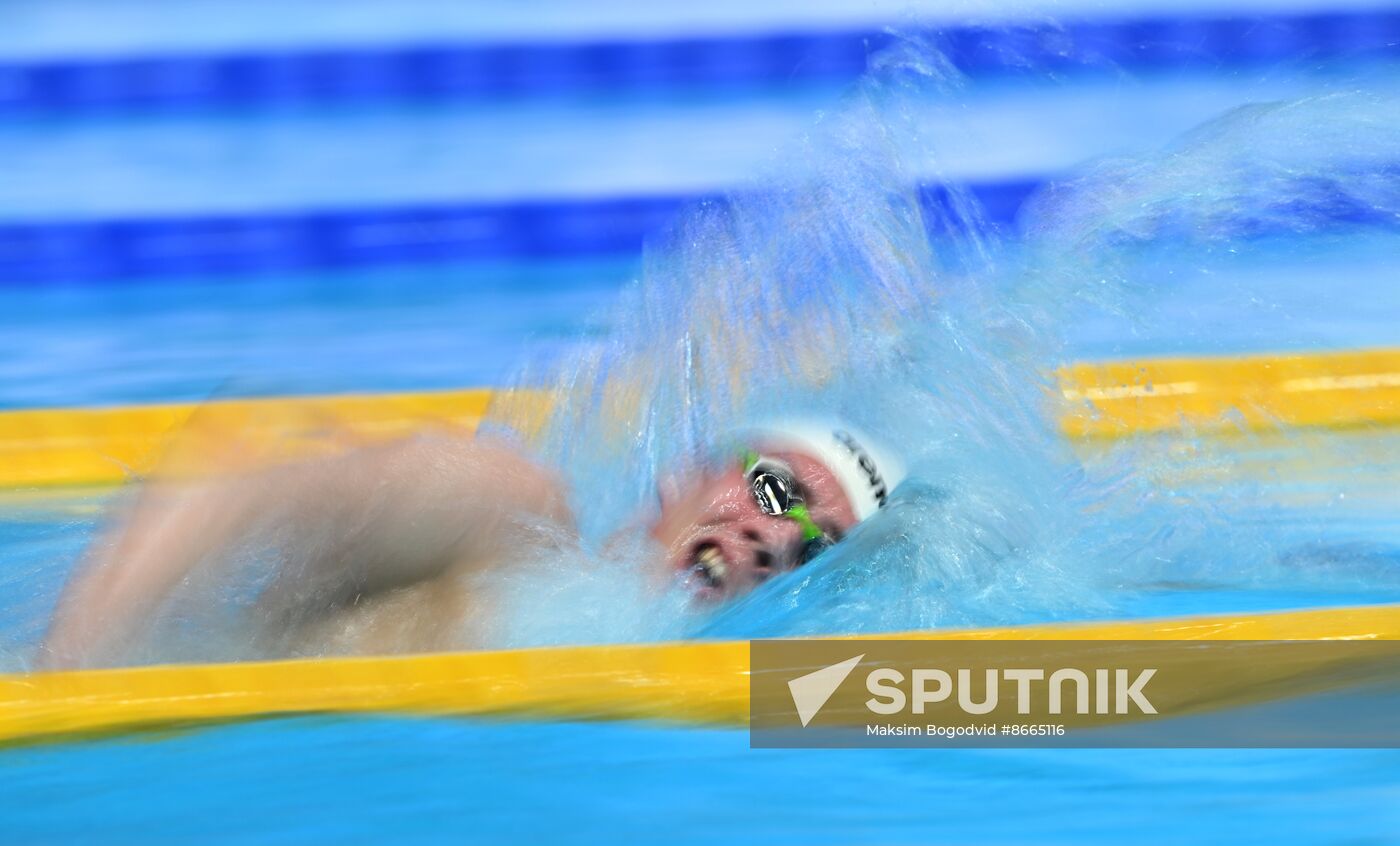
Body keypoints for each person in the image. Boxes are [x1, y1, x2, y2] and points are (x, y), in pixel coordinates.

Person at [41, 419, 904, 668]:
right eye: (774, 489)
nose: (772, 535)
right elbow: (216, 486)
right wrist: (62, 686)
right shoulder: (507, 513)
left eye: (814, 545)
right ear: (688, 472)